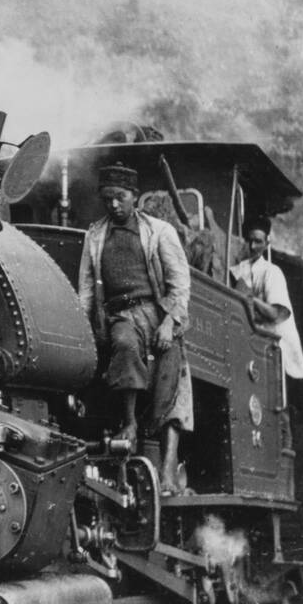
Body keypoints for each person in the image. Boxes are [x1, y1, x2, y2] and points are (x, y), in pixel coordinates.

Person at [78, 163, 193, 494]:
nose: (114, 205)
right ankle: (128, 422)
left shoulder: (160, 232)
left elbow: (180, 284)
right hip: (119, 315)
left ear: (135, 197)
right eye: (108, 199)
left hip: (158, 314)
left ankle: (169, 473)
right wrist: (85, 329)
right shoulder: (95, 236)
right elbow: (87, 288)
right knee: (125, 345)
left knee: (172, 390)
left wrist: (170, 323)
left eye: (120, 198)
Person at [229, 217, 303, 380]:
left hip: (282, 356)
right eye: (249, 241)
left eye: (258, 241)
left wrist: (252, 299)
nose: (253, 247)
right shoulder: (239, 270)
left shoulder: (272, 272)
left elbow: (276, 314)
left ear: (267, 243)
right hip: (258, 350)